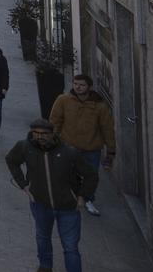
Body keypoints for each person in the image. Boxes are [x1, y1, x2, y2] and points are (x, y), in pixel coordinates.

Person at [5, 119, 97, 272]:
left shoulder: (68, 153)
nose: (40, 137)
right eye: (36, 133)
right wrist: (23, 184)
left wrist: (82, 197)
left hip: (67, 207)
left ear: (53, 134)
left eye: (44, 134)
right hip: (40, 203)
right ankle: (45, 268)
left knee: (71, 248)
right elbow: (11, 160)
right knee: (42, 236)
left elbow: (90, 175)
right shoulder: (25, 147)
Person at [48, 75, 115, 216]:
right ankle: (67, 198)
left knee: (90, 175)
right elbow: (55, 121)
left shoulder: (99, 106)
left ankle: (88, 199)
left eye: (82, 85)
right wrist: (51, 141)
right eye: (75, 84)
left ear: (89, 87)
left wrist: (111, 150)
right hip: (68, 145)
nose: (78, 87)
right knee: (66, 173)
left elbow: (107, 128)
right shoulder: (63, 100)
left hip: (91, 148)